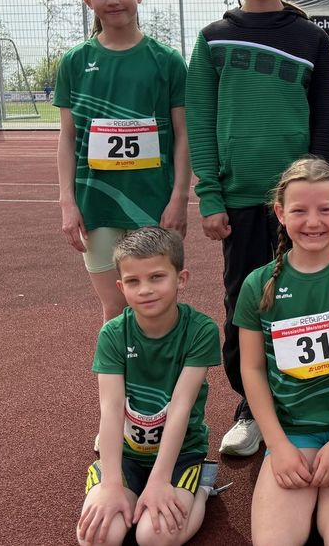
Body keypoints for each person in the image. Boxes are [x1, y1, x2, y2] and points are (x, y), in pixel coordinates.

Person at [186, 0, 329, 457]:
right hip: (242, 201)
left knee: (309, 301)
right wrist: (210, 196)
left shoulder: (310, 39)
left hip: (301, 207)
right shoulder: (213, 38)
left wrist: (323, 199)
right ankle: (251, 408)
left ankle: (312, 400)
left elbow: (327, 125)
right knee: (245, 304)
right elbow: (200, 122)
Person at [234, 158, 329, 546]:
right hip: (291, 431)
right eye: (299, 210)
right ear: (280, 213)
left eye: (325, 210)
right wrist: (278, 445)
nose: (313, 222)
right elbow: (252, 369)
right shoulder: (257, 285)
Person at [55, 0, 190, 324]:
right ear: (87, 0)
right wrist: (67, 202)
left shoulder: (167, 61)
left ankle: (163, 367)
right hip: (96, 204)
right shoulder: (75, 62)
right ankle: (116, 368)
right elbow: (67, 137)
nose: (112, 0)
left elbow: (184, 134)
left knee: (155, 306)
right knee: (115, 309)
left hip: (153, 202)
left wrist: (180, 197)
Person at [77, 227, 221, 546]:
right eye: (133, 281)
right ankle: (121, 484)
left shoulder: (201, 331)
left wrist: (159, 481)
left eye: (157, 277)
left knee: (153, 537)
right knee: (97, 538)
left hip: (181, 452)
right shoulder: (114, 334)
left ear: (181, 279)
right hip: (127, 454)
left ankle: (201, 485)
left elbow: (181, 406)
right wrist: (111, 484)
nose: (145, 290)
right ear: (121, 286)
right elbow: (111, 410)